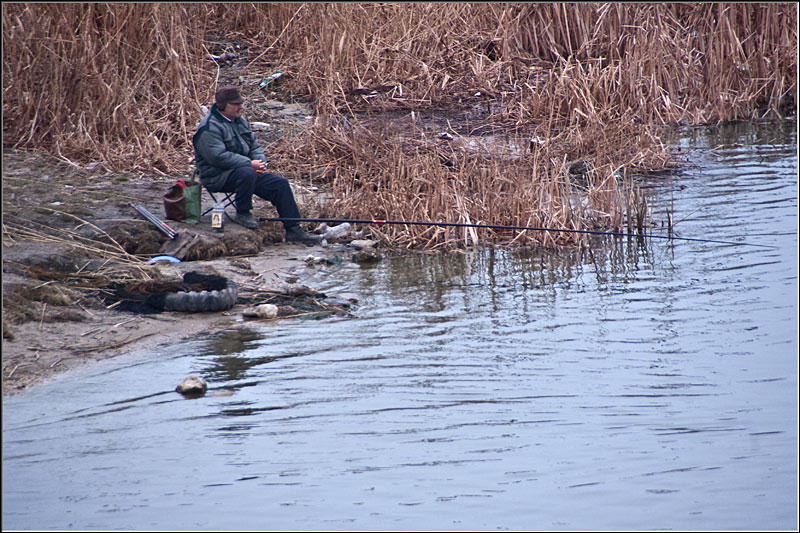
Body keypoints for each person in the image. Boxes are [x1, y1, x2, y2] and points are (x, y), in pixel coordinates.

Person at [192, 85, 321, 245]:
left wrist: (261, 163)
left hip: (246, 173)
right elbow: (217, 157)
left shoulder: (240, 121)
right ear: (222, 105)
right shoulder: (208, 128)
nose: (240, 107)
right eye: (236, 104)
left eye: (240, 103)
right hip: (217, 177)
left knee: (280, 184)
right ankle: (243, 212)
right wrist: (249, 164)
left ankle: (293, 229)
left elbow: (254, 146)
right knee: (246, 172)